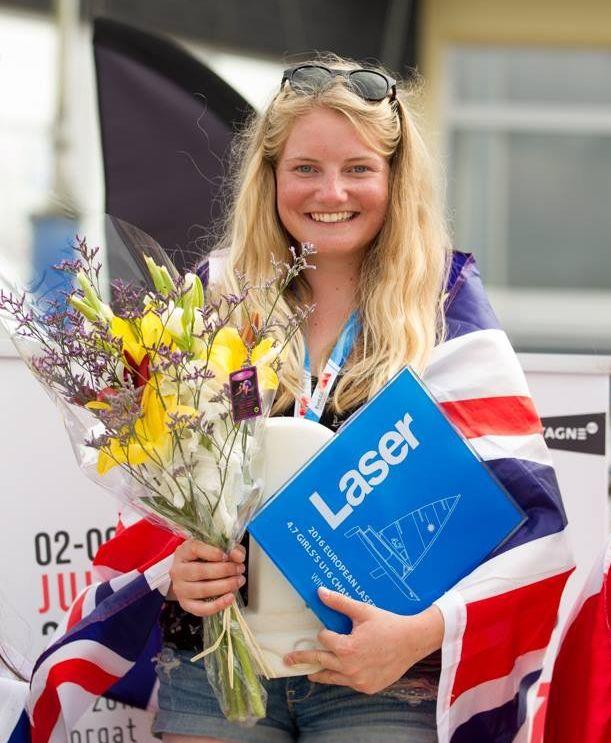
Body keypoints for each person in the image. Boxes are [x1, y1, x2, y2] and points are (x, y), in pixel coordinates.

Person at [26, 54, 572, 743]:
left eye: (358, 169)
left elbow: (535, 530)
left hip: (380, 681)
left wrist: (414, 636)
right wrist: (179, 567)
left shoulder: (445, 311)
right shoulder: (215, 297)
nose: (330, 191)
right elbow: (160, 482)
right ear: (272, 176)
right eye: (305, 168)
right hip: (219, 665)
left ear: (394, 179)